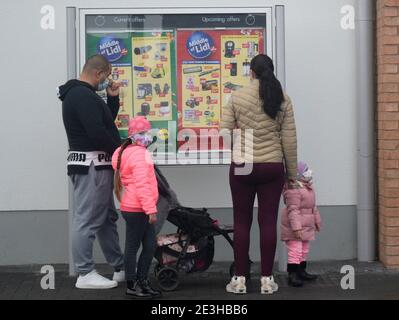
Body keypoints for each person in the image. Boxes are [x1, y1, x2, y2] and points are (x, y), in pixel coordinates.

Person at [220, 54, 298, 295]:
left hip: (243, 166)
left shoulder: (237, 96)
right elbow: (289, 140)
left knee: (242, 221)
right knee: (267, 222)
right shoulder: (283, 98)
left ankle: (240, 279)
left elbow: (224, 133)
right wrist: (292, 173)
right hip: (272, 166)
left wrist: (240, 146)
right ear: (271, 71)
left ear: (251, 72)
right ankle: (267, 279)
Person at [58, 54, 125, 289]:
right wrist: (121, 152)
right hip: (92, 166)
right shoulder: (82, 95)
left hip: (94, 165)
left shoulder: (81, 95)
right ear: (98, 73)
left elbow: (103, 123)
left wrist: (112, 100)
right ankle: (85, 273)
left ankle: (119, 267)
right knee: (86, 219)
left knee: (106, 219)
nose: (107, 81)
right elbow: (97, 133)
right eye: (106, 77)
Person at [112, 116, 162, 299]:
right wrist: (151, 210)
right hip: (138, 208)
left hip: (132, 207)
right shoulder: (140, 154)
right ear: (133, 136)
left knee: (149, 245)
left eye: (148, 132)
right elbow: (142, 185)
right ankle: (133, 285)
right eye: (143, 133)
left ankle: (142, 282)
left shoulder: (122, 151)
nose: (147, 136)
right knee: (134, 246)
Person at [281, 161, 321, 287]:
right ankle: (293, 274)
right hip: (296, 227)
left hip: (306, 225)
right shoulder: (293, 189)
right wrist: (296, 227)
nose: (309, 172)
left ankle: (301, 271)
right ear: (298, 174)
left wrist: (317, 221)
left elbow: (313, 207)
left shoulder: (308, 187)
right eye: (306, 170)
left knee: (304, 249)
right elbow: (293, 210)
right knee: (295, 250)